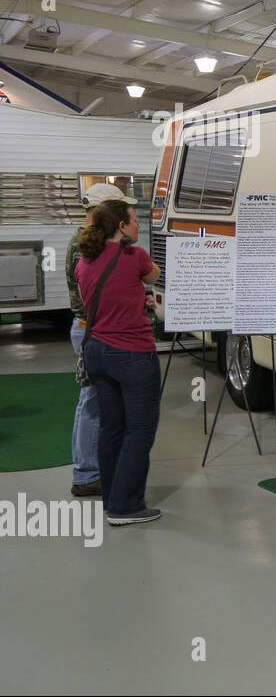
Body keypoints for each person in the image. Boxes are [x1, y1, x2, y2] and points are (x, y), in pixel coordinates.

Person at [75, 198, 163, 525]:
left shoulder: (84, 262)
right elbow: (155, 275)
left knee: (112, 427)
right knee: (139, 429)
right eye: (133, 220)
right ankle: (125, 507)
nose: (139, 225)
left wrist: (138, 298)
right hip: (133, 354)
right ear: (121, 226)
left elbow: (113, 295)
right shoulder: (135, 256)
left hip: (96, 351)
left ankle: (112, 496)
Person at [66, 183, 143, 497]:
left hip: (91, 327)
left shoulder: (87, 241)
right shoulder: (87, 244)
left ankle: (92, 469)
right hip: (92, 328)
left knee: (96, 401)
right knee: (93, 404)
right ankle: (86, 475)